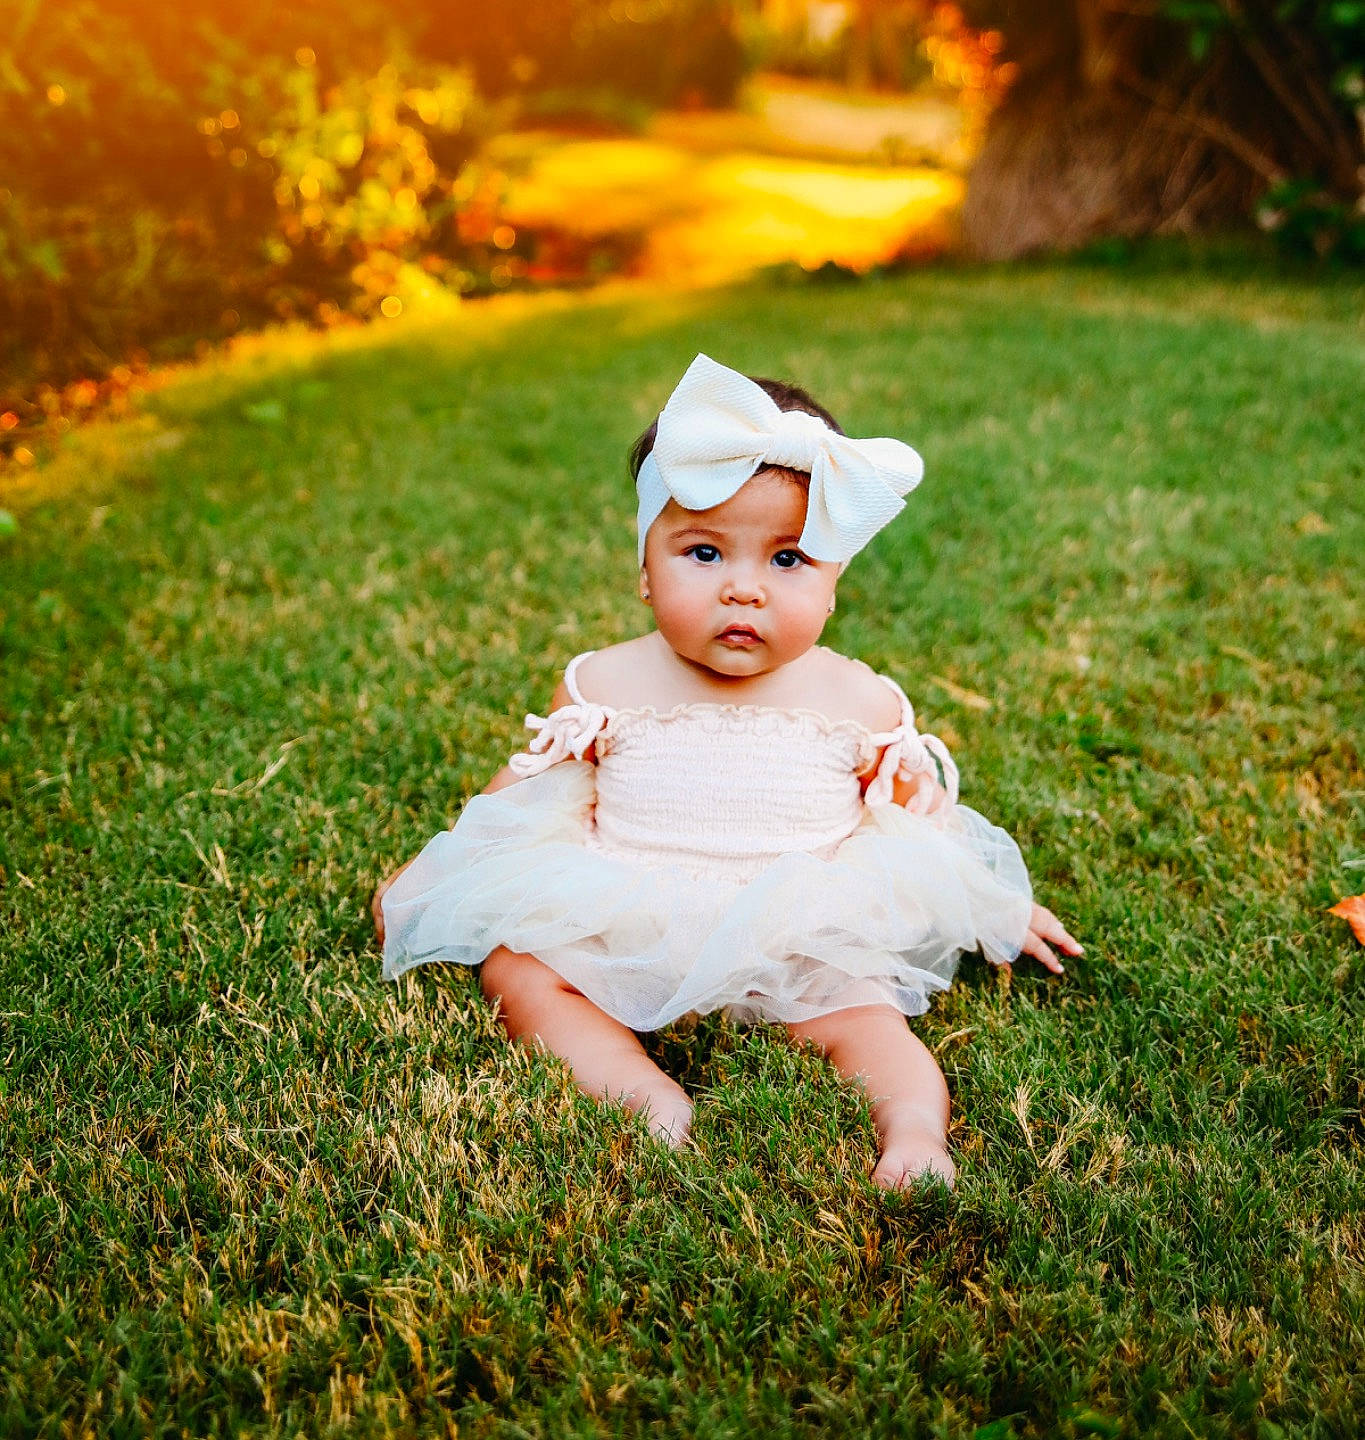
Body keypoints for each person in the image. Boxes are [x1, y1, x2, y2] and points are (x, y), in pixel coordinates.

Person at [375, 354, 1082, 1188]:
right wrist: (435, 871)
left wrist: (995, 898)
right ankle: (641, 1094)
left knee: (871, 1023)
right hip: (628, 910)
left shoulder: (857, 698)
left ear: (834, 580)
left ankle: (914, 1132)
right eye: (703, 552)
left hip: (800, 922)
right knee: (521, 970)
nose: (743, 590)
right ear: (645, 568)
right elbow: (528, 786)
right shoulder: (605, 681)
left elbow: (914, 812)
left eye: (787, 561)